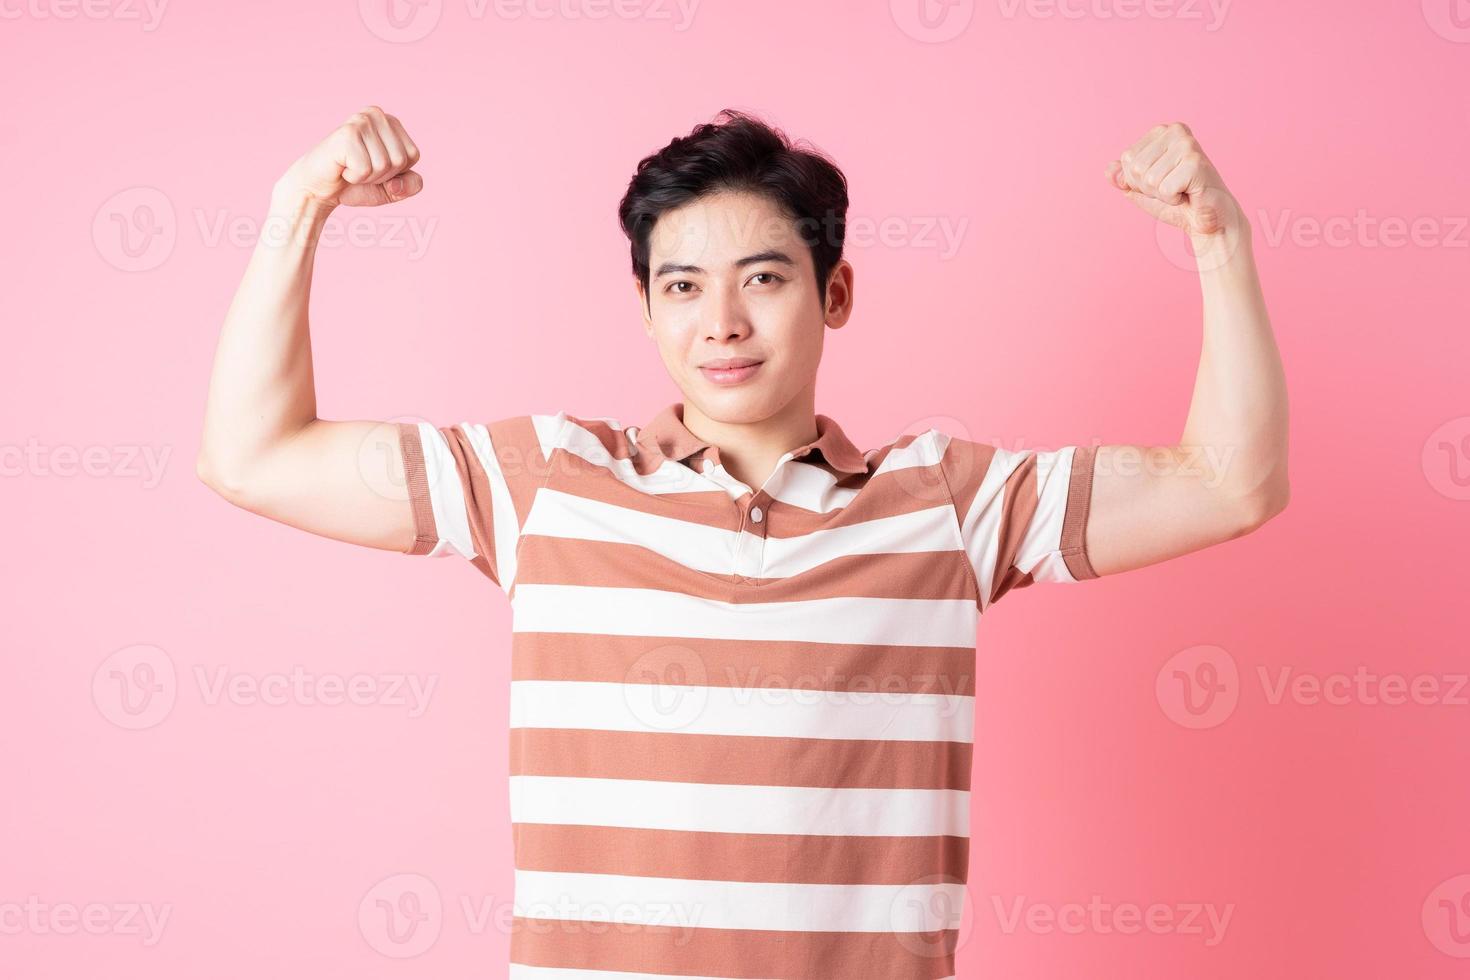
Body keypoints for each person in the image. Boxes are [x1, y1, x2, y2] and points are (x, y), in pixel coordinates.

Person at [197, 105, 1289, 979]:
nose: (720, 321)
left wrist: (1218, 239)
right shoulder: (543, 485)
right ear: (647, 309)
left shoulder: (948, 503)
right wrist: (301, 206)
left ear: (835, 291)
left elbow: (1232, 484)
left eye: (762, 277)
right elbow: (252, 455)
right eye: (682, 286)